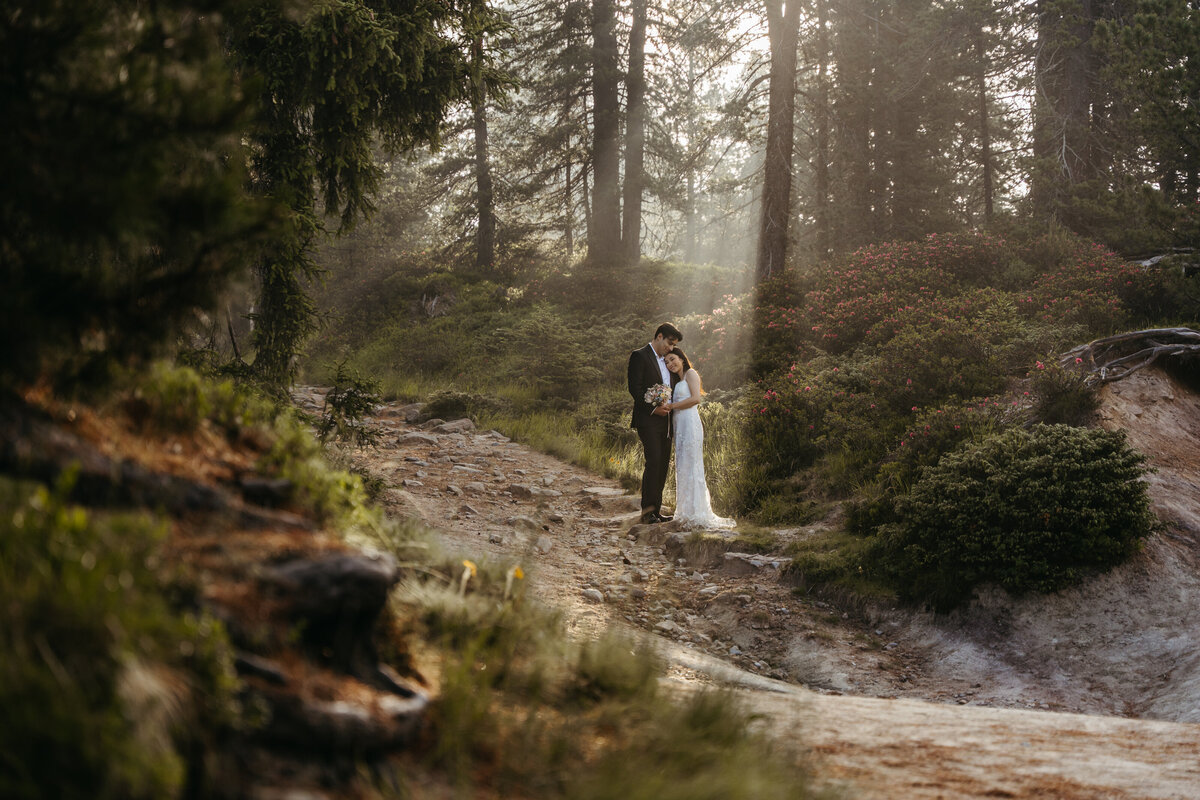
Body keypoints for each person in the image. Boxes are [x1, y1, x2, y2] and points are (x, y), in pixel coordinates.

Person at [662, 347, 736, 529]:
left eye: (673, 359)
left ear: (681, 358)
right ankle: (685, 511)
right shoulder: (677, 380)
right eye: (667, 363)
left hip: (690, 422)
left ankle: (697, 511)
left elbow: (696, 399)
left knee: (692, 465)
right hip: (680, 424)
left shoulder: (690, 374)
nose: (671, 364)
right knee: (683, 465)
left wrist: (672, 406)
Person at [627, 323, 682, 524]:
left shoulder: (669, 360)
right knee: (654, 461)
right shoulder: (639, 356)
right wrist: (653, 408)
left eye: (673, 345)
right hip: (648, 419)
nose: (671, 348)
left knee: (663, 464)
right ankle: (647, 513)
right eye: (669, 343)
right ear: (659, 336)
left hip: (667, 421)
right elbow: (635, 388)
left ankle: (656, 511)